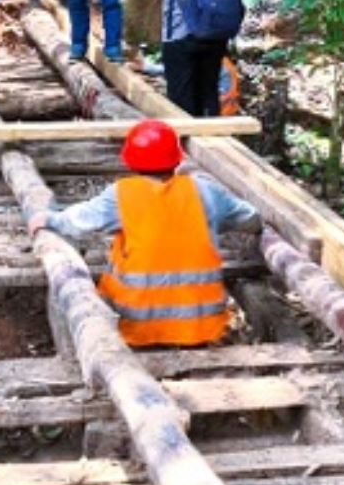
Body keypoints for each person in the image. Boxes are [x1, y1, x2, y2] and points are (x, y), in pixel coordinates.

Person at [27, 119, 262, 347]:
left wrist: (49, 219)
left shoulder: (122, 194)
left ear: (130, 160)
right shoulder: (204, 190)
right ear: (177, 159)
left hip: (141, 327)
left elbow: (80, 221)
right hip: (203, 327)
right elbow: (250, 218)